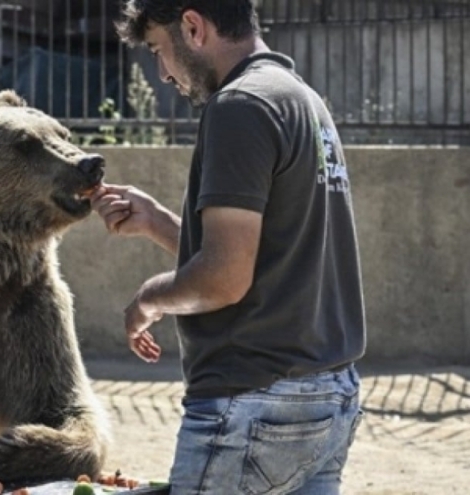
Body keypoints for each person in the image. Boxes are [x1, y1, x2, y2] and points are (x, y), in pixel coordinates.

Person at [92, 1, 367, 493]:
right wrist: (157, 222)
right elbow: (265, 258)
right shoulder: (301, 100)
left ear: (193, 27)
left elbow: (224, 278)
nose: (163, 74)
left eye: (157, 49)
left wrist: (148, 299)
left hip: (254, 400)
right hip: (328, 397)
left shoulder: (239, 106)